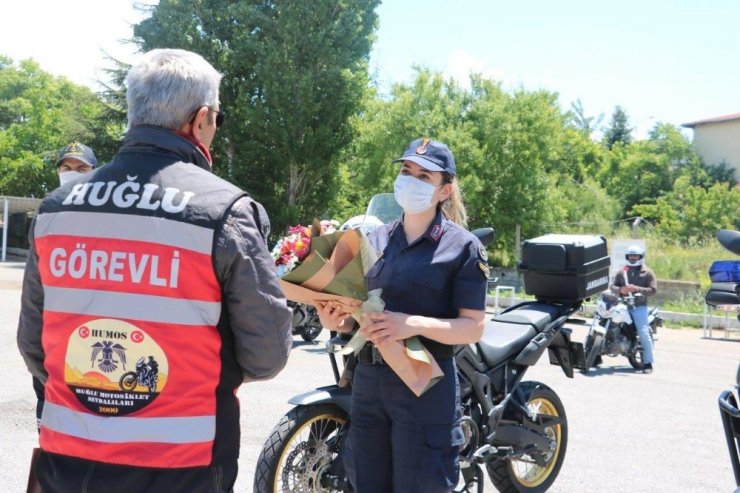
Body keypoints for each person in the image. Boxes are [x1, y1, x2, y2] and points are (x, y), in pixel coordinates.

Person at [17, 48, 293, 493]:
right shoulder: (225, 211)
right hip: (183, 464)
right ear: (201, 119)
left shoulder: (55, 209)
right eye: (217, 119)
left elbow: (34, 345)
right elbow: (267, 354)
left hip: (68, 461)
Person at [317, 138, 488, 493]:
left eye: (424, 176)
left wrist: (410, 323)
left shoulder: (463, 247)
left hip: (424, 386)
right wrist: (337, 320)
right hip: (369, 383)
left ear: (445, 190)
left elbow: (473, 327)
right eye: (406, 171)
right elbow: (358, 314)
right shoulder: (374, 239)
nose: (410, 179)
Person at [30, 142, 100, 432]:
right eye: (66, 168)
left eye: (81, 168)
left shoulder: (104, 216)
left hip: (87, 328)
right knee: (50, 427)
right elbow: (33, 293)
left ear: (94, 172)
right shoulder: (47, 213)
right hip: (53, 330)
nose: (72, 173)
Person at [609, 244, 657, 373]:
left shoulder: (647, 272)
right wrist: (620, 290)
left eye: (635, 255)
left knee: (643, 333)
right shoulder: (622, 271)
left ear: (641, 257)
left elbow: (653, 290)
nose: (633, 258)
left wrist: (637, 288)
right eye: (631, 255)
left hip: (639, 306)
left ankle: (648, 362)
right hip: (622, 305)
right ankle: (595, 355)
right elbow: (612, 287)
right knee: (607, 323)